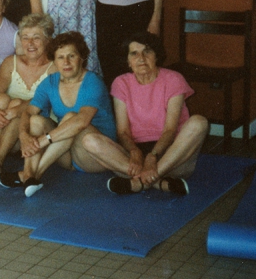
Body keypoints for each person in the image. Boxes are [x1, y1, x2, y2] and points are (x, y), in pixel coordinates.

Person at [80, 32, 208, 196]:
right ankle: (158, 182)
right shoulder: (121, 83)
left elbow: (170, 130)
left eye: (147, 51)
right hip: (134, 159)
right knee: (89, 140)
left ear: (156, 56)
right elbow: (123, 132)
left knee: (199, 122)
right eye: (134, 53)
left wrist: (153, 156)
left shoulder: (174, 79)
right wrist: (135, 152)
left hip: (172, 156)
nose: (141, 58)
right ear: (128, 61)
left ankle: (140, 182)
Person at [0, 32, 116, 197]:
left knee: (70, 118)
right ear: (54, 61)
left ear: (82, 57)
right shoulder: (50, 82)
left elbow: (81, 121)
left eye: (71, 56)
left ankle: (29, 175)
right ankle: (30, 175)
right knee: (36, 121)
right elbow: (29, 112)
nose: (66, 62)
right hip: (65, 153)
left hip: (93, 155)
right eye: (60, 57)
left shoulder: (92, 81)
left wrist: (43, 140)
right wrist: (24, 135)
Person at [0, 13, 56, 175]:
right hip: (7, 131)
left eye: (36, 38)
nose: (30, 44)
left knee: (17, 105)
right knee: (1, 99)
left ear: (48, 40)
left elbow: (47, 101)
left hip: (36, 132)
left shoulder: (54, 67)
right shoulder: (11, 62)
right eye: (25, 38)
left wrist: (14, 111)